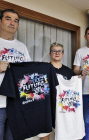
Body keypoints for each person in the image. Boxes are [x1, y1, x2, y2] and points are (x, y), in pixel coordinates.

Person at [0, 9, 31, 140]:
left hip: (17, 105)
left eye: (16, 20)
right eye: (8, 19)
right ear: (0, 21)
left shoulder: (22, 47)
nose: (12, 23)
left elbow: (28, 73)